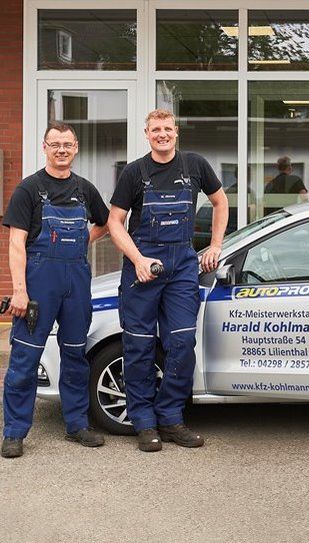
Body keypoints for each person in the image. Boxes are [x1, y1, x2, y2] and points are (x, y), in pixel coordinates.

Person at [108, 109, 228, 452]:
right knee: (139, 346)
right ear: (147, 135)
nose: (162, 134)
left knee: (181, 343)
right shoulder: (135, 172)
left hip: (182, 267)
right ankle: (144, 422)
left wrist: (216, 244)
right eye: (155, 129)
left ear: (176, 132)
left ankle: (172, 418)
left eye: (167, 129)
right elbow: (116, 221)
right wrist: (137, 259)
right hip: (143, 268)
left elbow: (220, 202)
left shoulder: (194, 166)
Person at [1, 122, 110, 458]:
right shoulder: (29, 189)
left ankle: (76, 425)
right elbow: (16, 243)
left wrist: (82, 242)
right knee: (25, 357)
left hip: (76, 281)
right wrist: (19, 290)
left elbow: (105, 222)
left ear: (76, 148)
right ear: (44, 147)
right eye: (55, 144)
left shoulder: (85, 189)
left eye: (67, 144)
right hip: (38, 285)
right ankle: (14, 432)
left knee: (76, 354)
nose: (61, 150)